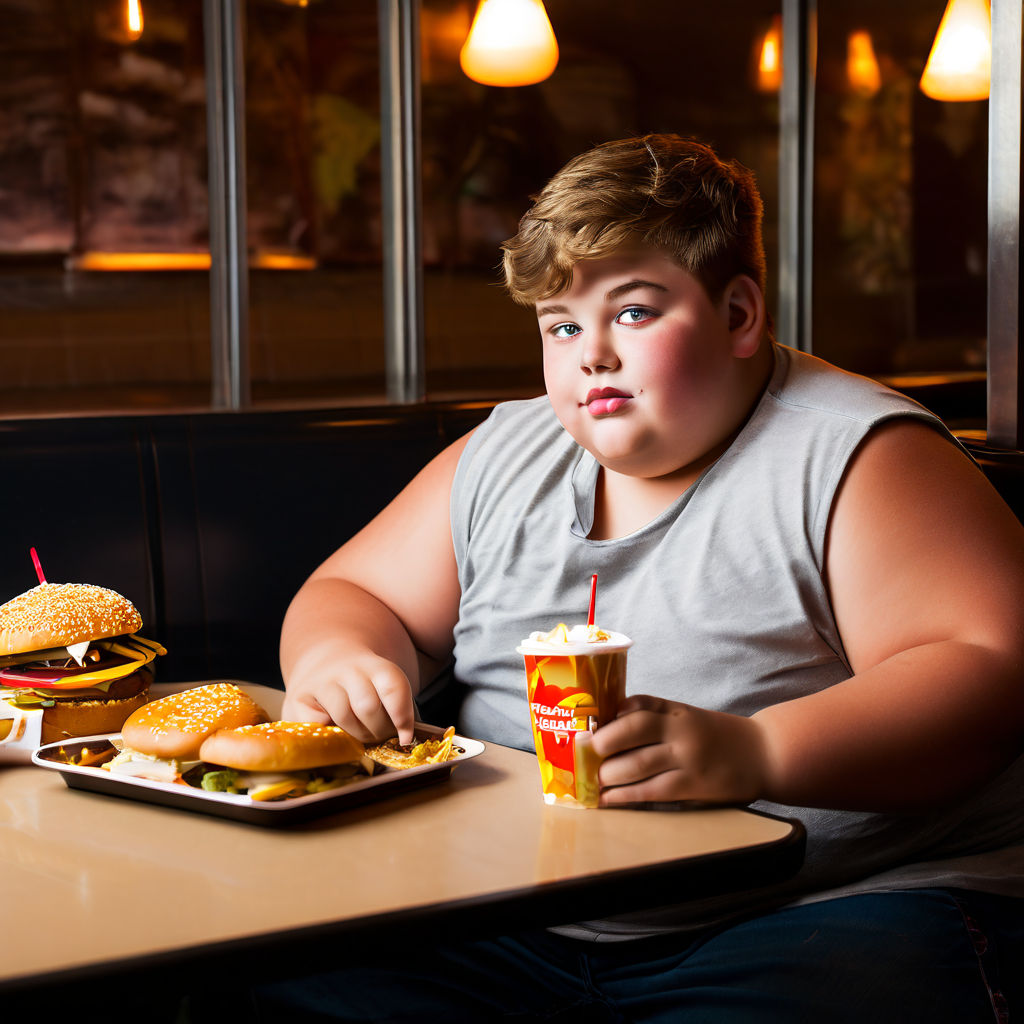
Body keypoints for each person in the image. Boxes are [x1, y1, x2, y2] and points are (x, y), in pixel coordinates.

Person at [268, 135, 1024, 1022]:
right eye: (561, 324)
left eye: (632, 313)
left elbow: (985, 666)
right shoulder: (504, 452)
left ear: (739, 314)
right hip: (515, 915)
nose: (591, 354)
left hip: (823, 910)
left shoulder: (857, 453)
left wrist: (757, 752)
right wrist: (337, 656)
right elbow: (361, 594)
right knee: (292, 963)